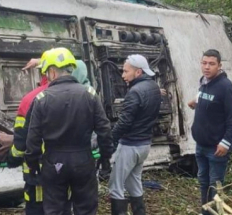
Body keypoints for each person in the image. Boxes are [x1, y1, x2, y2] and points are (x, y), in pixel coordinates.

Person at [25, 47, 113, 215]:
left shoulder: (42, 99)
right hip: (83, 159)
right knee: (86, 209)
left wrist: (33, 163)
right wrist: (106, 157)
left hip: (53, 162)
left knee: (55, 210)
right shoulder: (89, 94)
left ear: (52, 72)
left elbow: (33, 137)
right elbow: (104, 129)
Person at [7, 51, 93, 215]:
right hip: (66, 169)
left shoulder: (31, 98)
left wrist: (12, 158)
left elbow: (22, 141)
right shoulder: (78, 94)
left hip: (38, 171)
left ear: (45, 71)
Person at [108, 54, 161, 215]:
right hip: (144, 145)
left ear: (138, 72)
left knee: (115, 187)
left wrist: (109, 139)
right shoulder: (154, 88)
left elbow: (124, 122)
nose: (123, 75)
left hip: (130, 146)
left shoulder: (135, 92)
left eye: (125, 71)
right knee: (134, 183)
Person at [188, 49, 232, 215]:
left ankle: (214, 213)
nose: (207, 67)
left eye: (211, 64)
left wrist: (226, 142)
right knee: (203, 181)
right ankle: (205, 211)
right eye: (204, 63)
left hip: (216, 148)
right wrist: (195, 101)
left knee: (215, 185)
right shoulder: (204, 82)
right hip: (201, 144)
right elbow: (208, 97)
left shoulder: (226, 87)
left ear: (219, 66)